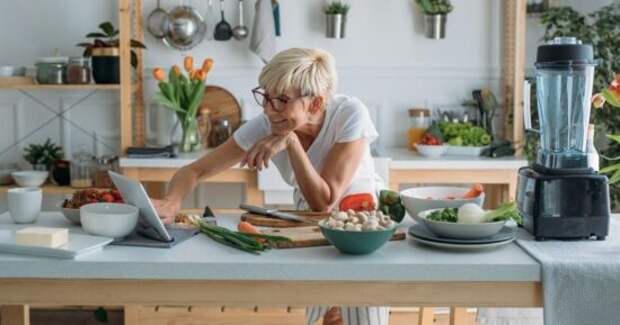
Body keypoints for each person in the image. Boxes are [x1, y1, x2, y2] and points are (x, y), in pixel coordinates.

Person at [152, 47, 387, 325]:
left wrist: (290, 142)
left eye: (282, 100)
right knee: (324, 315)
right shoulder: (267, 123)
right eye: (265, 96)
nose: (268, 109)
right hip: (308, 220)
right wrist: (172, 200)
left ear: (314, 103)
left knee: (362, 313)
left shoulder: (349, 114)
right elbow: (196, 169)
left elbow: (325, 200)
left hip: (361, 220)